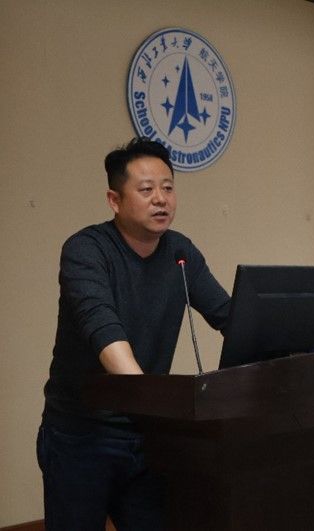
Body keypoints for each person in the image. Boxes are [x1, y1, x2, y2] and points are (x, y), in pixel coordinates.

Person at [37, 138, 230, 530]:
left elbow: (228, 316)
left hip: (147, 434)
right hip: (81, 434)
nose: (161, 199)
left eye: (168, 188)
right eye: (146, 189)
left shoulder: (180, 253)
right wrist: (147, 397)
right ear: (115, 199)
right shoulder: (86, 250)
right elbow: (103, 329)